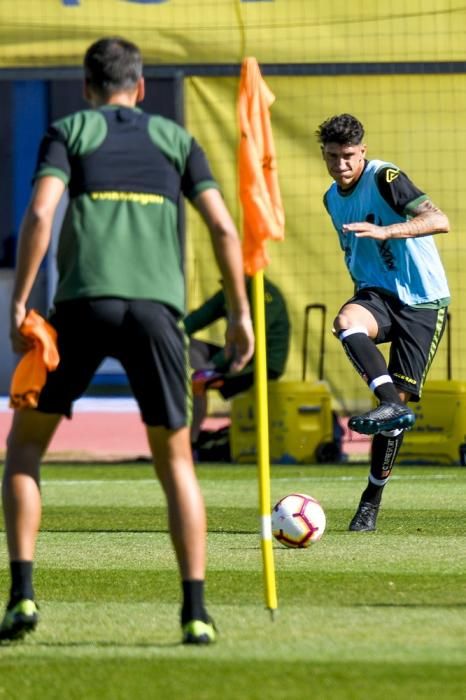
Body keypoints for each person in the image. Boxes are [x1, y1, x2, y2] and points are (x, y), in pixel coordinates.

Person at [0, 36, 254, 645]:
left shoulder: (71, 130)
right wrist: (239, 313)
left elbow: (39, 214)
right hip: (157, 315)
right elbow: (222, 225)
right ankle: (195, 611)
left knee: (25, 448)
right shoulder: (176, 140)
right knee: (176, 463)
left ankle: (22, 599)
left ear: (89, 86)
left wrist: (19, 301)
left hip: (82, 308)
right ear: (140, 89)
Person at [317, 113, 450, 531]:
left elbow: (439, 220)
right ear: (324, 154)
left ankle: (370, 502)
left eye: (349, 156)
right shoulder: (330, 197)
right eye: (334, 156)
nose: (342, 164)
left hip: (422, 301)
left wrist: (389, 232)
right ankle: (388, 401)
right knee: (346, 322)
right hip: (377, 294)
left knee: (395, 422)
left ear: (364, 152)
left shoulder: (385, 177)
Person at [185, 275, 290, 448]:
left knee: (199, 380)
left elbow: (247, 342)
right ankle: (186, 433)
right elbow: (197, 319)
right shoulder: (229, 291)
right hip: (235, 354)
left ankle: (191, 442)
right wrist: (169, 333)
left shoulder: (265, 294)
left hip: (261, 365)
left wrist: (212, 367)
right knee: (184, 345)